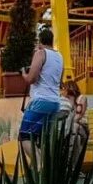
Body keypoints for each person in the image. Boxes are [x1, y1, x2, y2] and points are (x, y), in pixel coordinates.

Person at [17, 26, 64, 157]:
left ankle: (40, 166)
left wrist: (23, 74)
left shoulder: (41, 53)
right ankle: (44, 167)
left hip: (40, 101)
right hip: (55, 103)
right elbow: (60, 82)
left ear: (40, 41)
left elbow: (31, 79)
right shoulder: (60, 57)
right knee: (42, 139)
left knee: (24, 136)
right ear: (52, 41)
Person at [59, 81, 88, 148]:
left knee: (73, 127)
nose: (62, 91)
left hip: (81, 126)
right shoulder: (66, 100)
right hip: (71, 128)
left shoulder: (82, 98)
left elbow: (78, 116)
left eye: (64, 89)